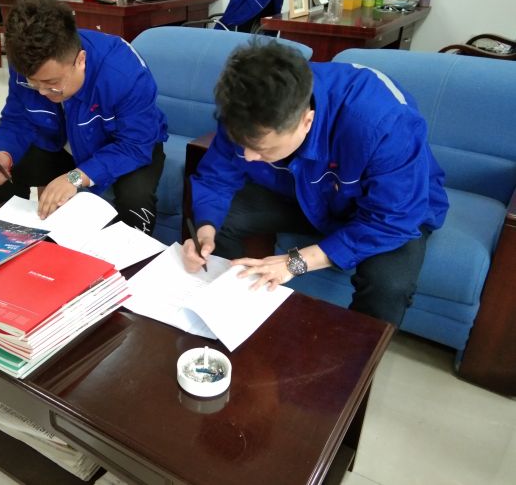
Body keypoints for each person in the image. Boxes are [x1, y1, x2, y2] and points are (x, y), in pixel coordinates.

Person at [183, 40, 449, 326]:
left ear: (306, 121)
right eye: (241, 143)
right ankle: (223, 317)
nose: (247, 156)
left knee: (389, 285)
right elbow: (217, 177)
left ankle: (357, 351)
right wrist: (205, 231)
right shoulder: (244, 108)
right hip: (302, 194)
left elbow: (393, 220)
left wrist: (295, 262)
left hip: (387, 214)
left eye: (262, 149)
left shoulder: (384, 123)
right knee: (219, 219)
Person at [0, 0, 167, 235]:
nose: (42, 92)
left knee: (136, 199)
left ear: (80, 61)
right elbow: (17, 119)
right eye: (33, 83)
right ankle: (0, 242)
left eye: (52, 83)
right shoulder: (27, 61)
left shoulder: (125, 74)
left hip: (122, 146)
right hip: (59, 141)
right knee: (5, 174)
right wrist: (5, 153)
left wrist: (76, 177)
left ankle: (131, 257)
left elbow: (135, 144)